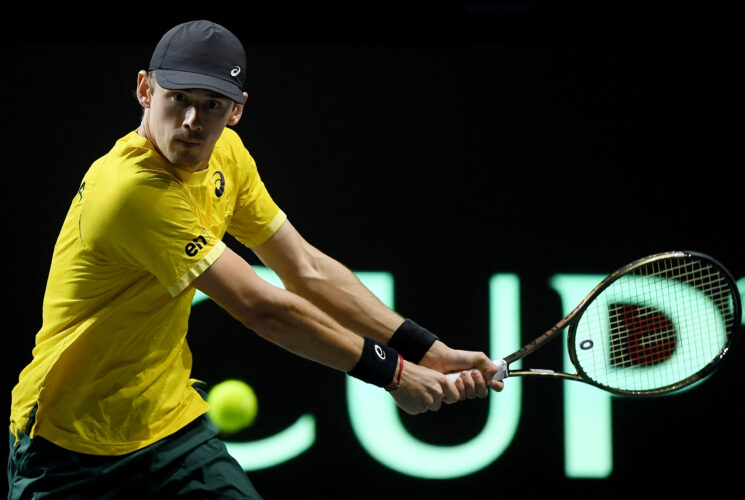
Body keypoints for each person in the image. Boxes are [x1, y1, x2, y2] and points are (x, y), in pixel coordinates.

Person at [7, 20, 503, 499]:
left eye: (212, 104)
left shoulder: (227, 156)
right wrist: (394, 374)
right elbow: (259, 305)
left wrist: (425, 350)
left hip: (168, 426)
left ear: (237, 110)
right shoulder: (130, 191)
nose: (192, 122)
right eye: (178, 98)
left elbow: (304, 268)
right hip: (67, 450)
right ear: (145, 90)